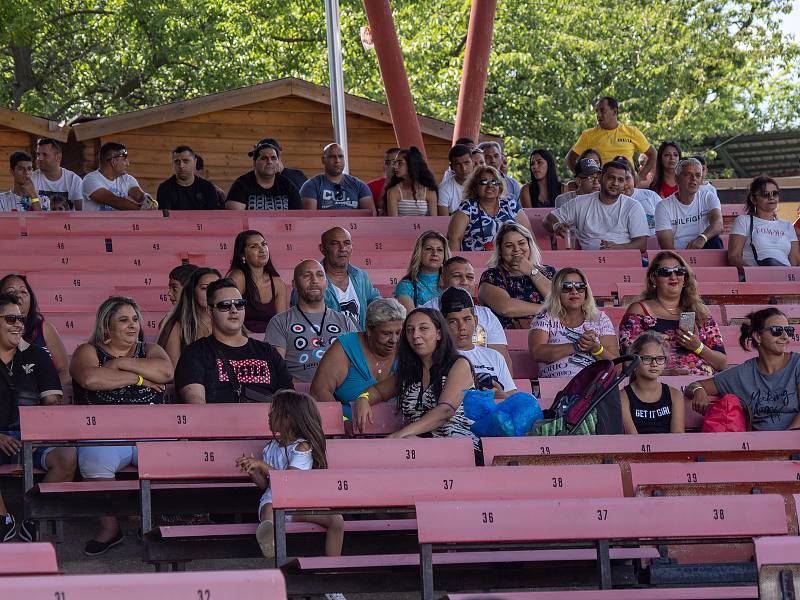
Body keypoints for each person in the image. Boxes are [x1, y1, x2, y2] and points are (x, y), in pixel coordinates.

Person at [70, 296, 172, 555]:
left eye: (135, 320)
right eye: (123, 320)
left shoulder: (150, 349)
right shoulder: (88, 351)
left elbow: (165, 373)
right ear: (106, 327)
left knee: (171, 457)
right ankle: (110, 528)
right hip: (104, 431)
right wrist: (139, 379)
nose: (132, 326)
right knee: (94, 459)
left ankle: (152, 523)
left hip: (151, 430)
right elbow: (91, 378)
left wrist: (118, 365)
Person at [235, 390, 344, 562]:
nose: (269, 417)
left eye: (274, 413)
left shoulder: (302, 447)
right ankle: (269, 537)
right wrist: (253, 471)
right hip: (274, 501)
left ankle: (331, 571)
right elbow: (265, 485)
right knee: (268, 509)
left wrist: (263, 466)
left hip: (300, 505)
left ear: (290, 418)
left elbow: (291, 481)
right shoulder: (270, 447)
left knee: (336, 520)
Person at [0, 292, 74, 544]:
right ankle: (3, 520)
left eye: (20, 319)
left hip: (30, 437)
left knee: (66, 458)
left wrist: (37, 432)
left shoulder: (37, 355)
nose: (18, 324)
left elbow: (51, 401)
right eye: (10, 319)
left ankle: (33, 518)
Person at [352, 308, 478, 448]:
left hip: (459, 448)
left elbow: (445, 411)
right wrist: (363, 398)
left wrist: (399, 435)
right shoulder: (409, 372)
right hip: (417, 448)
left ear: (439, 333)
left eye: (423, 329)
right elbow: (378, 391)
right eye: (410, 330)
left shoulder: (459, 364)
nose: (415, 335)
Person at [175, 278, 292, 403]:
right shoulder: (195, 353)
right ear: (209, 311)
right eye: (224, 305)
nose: (234, 310)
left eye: (239, 304)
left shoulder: (267, 351)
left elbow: (289, 402)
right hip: (217, 421)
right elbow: (196, 405)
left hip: (268, 421)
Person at [686, 307, 800, 431]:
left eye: (788, 331)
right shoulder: (741, 374)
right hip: (758, 446)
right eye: (777, 330)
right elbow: (693, 385)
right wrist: (698, 390)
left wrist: (786, 443)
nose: (785, 336)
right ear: (758, 336)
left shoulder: (797, 364)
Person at [619, 251, 727, 376]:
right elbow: (629, 363)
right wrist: (667, 374)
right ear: (654, 279)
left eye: (679, 271)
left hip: (700, 383)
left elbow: (722, 363)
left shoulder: (700, 311)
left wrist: (697, 347)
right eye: (666, 272)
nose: (673, 277)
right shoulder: (639, 310)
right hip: (659, 385)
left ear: (685, 278)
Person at [311, 298, 405, 421]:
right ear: (369, 329)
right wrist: (342, 421)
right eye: (386, 334)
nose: (394, 340)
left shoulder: (405, 349)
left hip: (397, 432)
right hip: (348, 433)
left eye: (398, 333)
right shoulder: (346, 347)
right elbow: (319, 391)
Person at [265, 260, 359, 383]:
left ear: (326, 283)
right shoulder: (279, 322)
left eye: (320, 275)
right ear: (294, 285)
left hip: (340, 392)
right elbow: (275, 370)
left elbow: (358, 365)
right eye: (306, 275)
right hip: (298, 396)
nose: (314, 280)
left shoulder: (345, 321)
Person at [421, 257, 511, 373]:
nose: (464, 281)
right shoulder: (425, 313)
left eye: (470, 277)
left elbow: (502, 361)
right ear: (442, 280)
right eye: (457, 276)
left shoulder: (487, 315)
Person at [529, 268, 618, 378]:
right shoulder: (545, 317)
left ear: (586, 292)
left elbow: (617, 365)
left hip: (594, 388)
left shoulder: (600, 318)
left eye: (580, 287)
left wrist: (596, 348)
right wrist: (576, 346)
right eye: (567, 287)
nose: (574, 291)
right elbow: (537, 353)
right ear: (557, 291)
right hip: (554, 388)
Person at [545, 160, 649, 251]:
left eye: (620, 180)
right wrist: (557, 225)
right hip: (588, 262)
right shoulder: (580, 202)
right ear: (600, 179)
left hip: (623, 260)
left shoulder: (633, 206)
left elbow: (642, 244)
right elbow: (548, 219)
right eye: (611, 178)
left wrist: (617, 248)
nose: (615, 183)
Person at [440, 287, 516, 399]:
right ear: (442, 324)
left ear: (475, 321)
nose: (462, 327)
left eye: (467, 319)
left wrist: (500, 396)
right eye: (453, 321)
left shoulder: (495, 356)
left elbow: (512, 400)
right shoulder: (437, 357)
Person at [478, 222, 554, 330]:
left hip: (549, 336)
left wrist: (532, 271)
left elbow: (558, 298)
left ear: (529, 245)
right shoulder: (491, 276)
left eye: (521, 243)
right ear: (500, 250)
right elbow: (506, 308)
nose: (516, 249)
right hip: (506, 339)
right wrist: (549, 308)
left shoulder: (548, 272)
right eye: (509, 246)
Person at [0, 274, 69, 385]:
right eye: (11, 292)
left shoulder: (44, 329)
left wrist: (45, 392)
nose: (18, 296)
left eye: (23, 292)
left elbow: (65, 372)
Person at [565, 96, 657, 179]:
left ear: (614, 111)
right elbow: (570, 159)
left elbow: (653, 154)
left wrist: (639, 178)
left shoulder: (632, 132)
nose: (598, 115)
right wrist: (583, 178)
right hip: (601, 188)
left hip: (626, 186)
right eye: (597, 111)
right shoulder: (588, 135)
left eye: (602, 110)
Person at [447, 166, 534, 252]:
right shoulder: (467, 207)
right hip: (475, 263)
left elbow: (528, 234)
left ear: (500, 186)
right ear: (475, 187)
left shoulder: (510, 204)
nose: (490, 185)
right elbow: (454, 240)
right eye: (484, 182)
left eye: (495, 182)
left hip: (509, 261)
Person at [728, 175, 799, 273]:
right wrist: (756, 274)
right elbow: (734, 257)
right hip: (757, 279)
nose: (771, 197)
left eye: (775, 193)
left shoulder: (787, 225)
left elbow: (795, 262)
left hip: (785, 277)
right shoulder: (743, 221)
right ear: (753, 199)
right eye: (765, 194)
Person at [620, 331, 685, 434]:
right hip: (636, 448)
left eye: (659, 359)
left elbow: (678, 436)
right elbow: (631, 437)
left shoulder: (675, 395)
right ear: (634, 361)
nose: (654, 363)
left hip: (668, 448)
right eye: (647, 358)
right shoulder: (623, 397)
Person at [157, 267, 221, 371]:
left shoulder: (228, 321)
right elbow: (174, 372)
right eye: (205, 288)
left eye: (217, 288)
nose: (211, 292)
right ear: (192, 290)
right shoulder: (176, 325)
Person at [316, 227, 381, 328]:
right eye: (335, 243)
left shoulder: (360, 276)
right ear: (322, 249)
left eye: (347, 243)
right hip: (326, 342)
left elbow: (376, 303)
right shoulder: (311, 280)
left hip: (359, 342)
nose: (342, 248)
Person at [226, 230, 287, 334]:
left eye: (264, 244)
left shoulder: (278, 282)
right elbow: (229, 317)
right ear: (242, 255)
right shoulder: (237, 277)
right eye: (254, 246)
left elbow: (281, 323)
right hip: (242, 340)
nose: (262, 249)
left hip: (271, 341)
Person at [655, 158, 723, 250]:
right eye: (688, 175)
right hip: (678, 256)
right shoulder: (663, 206)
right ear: (676, 178)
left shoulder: (708, 197)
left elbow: (718, 224)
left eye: (698, 175)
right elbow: (667, 248)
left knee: (716, 241)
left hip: (704, 248)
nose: (694, 179)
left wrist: (702, 238)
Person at [300, 143, 375, 214]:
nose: (337, 160)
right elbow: (309, 219)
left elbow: (371, 216)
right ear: (323, 160)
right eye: (332, 156)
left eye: (340, 156)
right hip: (324, 227)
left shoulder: (359, 185)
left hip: (355, 227)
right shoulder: (311, 186)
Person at [225, 141, 301, 211]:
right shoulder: (241, 185)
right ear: (254, 163)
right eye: (264, 158)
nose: (269, 162)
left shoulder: (288, 186)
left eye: (273, 158)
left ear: (278, 162)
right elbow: (235, 219)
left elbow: (298, 218)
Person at [82, 142, 156, 211]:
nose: (128, 163)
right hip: (96, 225)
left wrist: (147, 199)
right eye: (124, 159)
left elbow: (139, 195)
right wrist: (142, 209)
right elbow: (114, 200)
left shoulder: (127, 179)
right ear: (113, 162)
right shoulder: (90, 179)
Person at [393, 231, 450, 313]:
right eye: (429, 249)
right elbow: (411, 319)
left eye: (439, 250)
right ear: (419, 253)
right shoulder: (406, 285)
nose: (435, 253)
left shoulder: (450, 283)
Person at [156, 145, 221, 210]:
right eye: (177, 162)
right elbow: (164, 217)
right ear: (173, 164)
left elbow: (214, 216)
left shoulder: (207, 187)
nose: (181, 166)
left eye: (186, 161)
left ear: (195, 162)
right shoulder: (165, 188)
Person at [383, 147, 438, 216]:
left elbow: (433, 221)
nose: (395, 166)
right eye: (395, 163)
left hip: (426, 227)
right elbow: (393, 223)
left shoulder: (430, 191)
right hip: (400, 227)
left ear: (411, 164)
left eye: (400, 163)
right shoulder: (393, 192)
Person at [615, 155, 661, 237]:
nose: (624, 184)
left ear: (634, 177)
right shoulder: (611, 202)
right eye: (620, 180)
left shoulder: (650, 196)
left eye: (627, 178)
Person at [31, 138, 83, 210]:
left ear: (58, 157)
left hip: (67, 221)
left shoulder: (74, 180)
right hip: (40, 221)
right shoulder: (32, 178)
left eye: (44, 155)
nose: (39, 158)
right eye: (38, 154)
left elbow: (80, 213)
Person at [437, 144, 473, 216]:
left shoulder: (483, 184)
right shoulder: (444, 189)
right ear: (451, 167)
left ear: (473, 162)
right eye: (458, 164)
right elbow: (444, 221)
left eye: (467, 163)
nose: (463, 168)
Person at [368, 147, 401, 216]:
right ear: (384, 166)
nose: (393, 166)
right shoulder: (371, 187)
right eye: (387, 163)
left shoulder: (415, 186)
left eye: (397, 162)